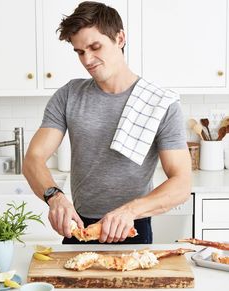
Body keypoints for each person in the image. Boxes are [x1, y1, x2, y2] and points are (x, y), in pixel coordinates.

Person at [23, 1, 191, 244]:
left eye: (95, 47)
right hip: (79, 226)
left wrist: (129, 211)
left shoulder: (160, 104)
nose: (87, 59)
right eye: (80, 52)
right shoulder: (69, 95)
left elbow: (182, 183)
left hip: (132, 225)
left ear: (120, 38)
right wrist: (54, 197)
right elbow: (33, 158)